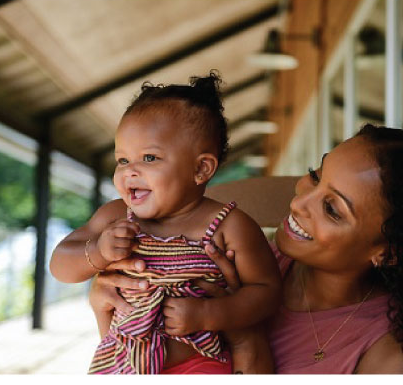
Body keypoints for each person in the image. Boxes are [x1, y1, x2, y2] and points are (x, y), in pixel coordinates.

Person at [87, 125, 403, 374]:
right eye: (315, 175)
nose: (298, 203)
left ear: (389, 251)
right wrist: (109, 307)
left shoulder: (387, 359)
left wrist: (245, 335)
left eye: (332, 209)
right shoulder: (242, 256)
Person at [49, 71, 280, 374]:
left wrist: (212, 313)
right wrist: (99, 251)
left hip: (199, 364)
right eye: (122, 160)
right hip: (120, 363)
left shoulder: (228, 226)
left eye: (149, 158)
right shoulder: (116, 215)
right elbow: (59, 265)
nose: (130, 171)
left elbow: (267, 292)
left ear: (201, 169)